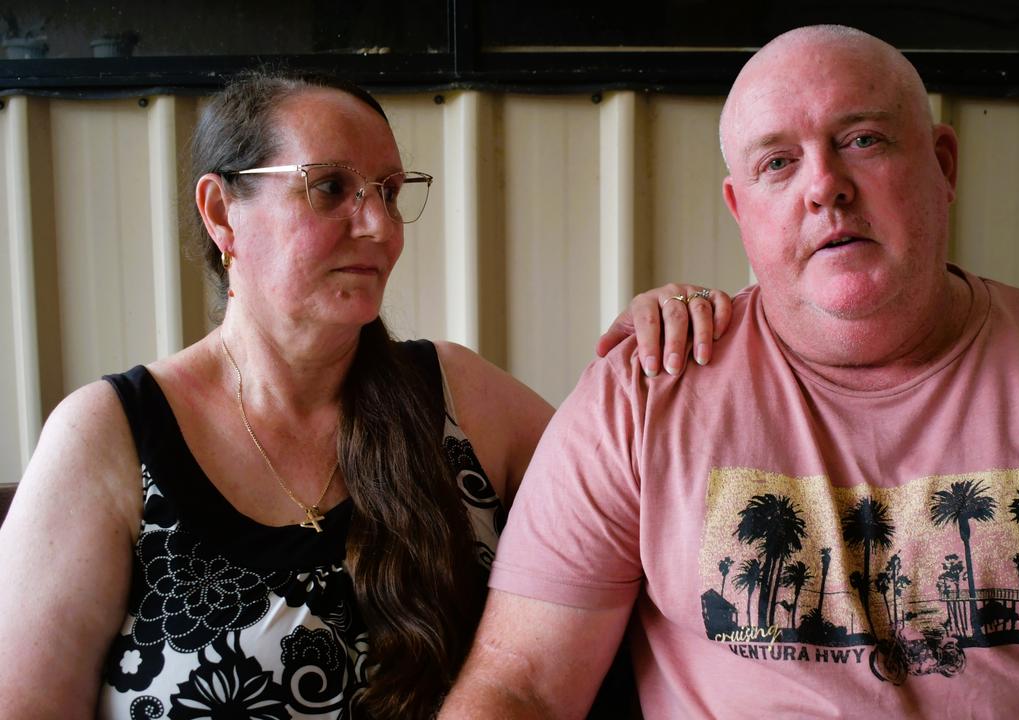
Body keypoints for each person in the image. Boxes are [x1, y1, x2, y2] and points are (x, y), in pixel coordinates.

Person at [440, 25, 1019, 719]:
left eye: (863, 140)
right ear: (742, 210)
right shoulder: (643, 392)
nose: (826, 188)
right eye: (778, 162)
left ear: (943, 166)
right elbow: (522, 689)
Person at [0, 69, 732, 719]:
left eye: (388, 190)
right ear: (222, 212)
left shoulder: (459, 396)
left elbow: (650, 517)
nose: (380, 226)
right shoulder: (111, 436)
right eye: (330, 188)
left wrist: (672, 346)